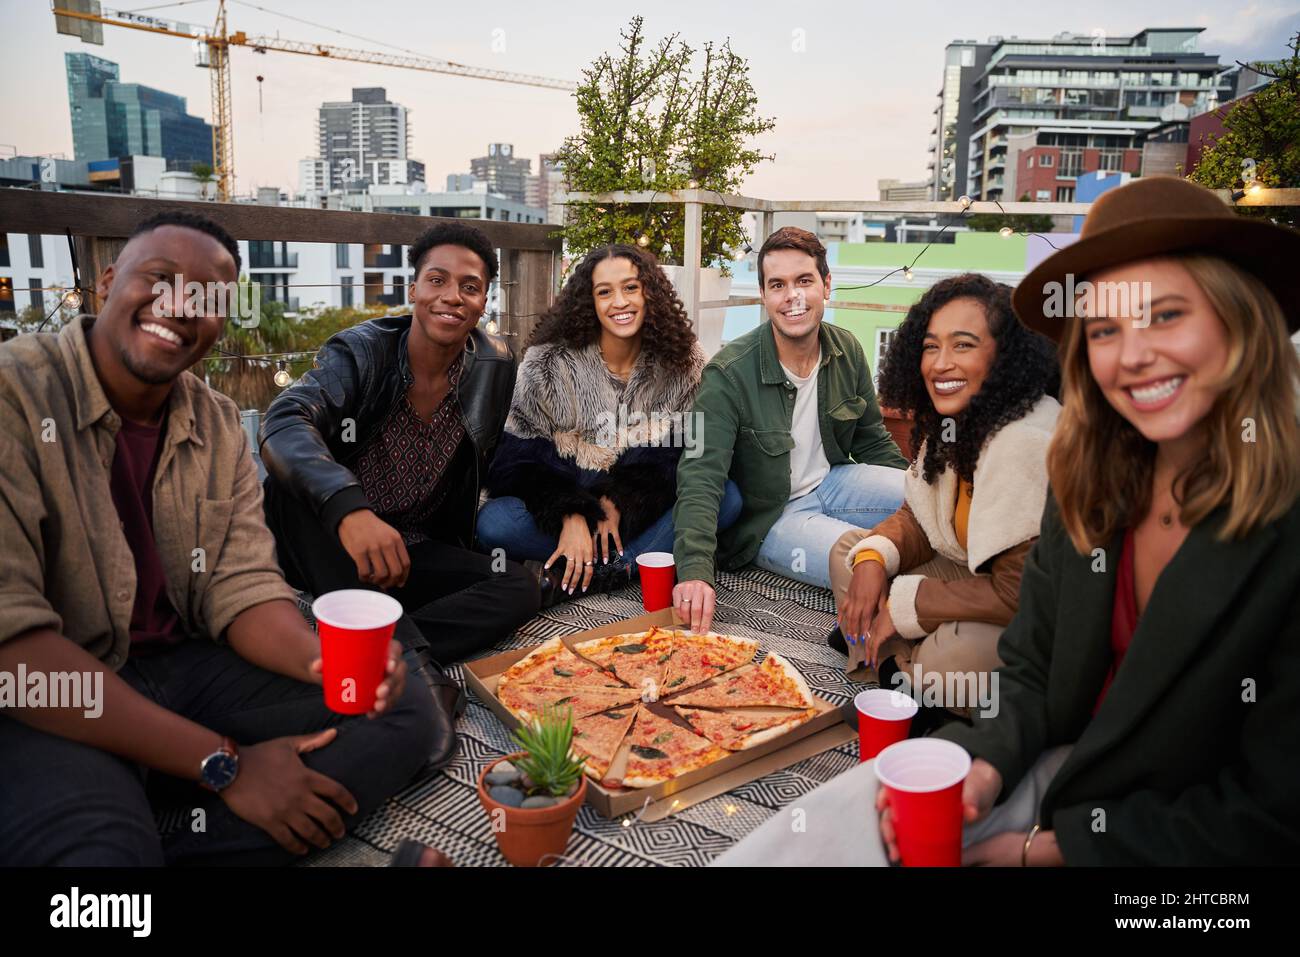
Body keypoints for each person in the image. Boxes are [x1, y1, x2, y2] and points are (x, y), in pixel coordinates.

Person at [714, 176, 1300, 866]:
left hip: (1169, 851)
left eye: (1165, 315)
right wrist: (983, 765)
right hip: (1048, 763)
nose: (1133, 353)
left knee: (950, 655)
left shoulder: (1276, 532)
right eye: (1105, 328)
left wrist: (1048, 849)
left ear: (1240, 321)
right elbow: (1032, 666)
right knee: (808, 836)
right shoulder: (1091, 485)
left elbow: (1274, 816)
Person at [0, 212, 436, 865]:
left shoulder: (217, 420)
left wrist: (327, 664)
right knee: (99, 857)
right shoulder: (15, 389)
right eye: (159, 279)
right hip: (54, 691)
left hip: (183, 668)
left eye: (208, 298)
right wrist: (223, 763)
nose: (181, 307)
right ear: (107, 282)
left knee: (409, 712)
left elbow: (241, 588)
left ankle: (172, 830)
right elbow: (17, 657)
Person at [259, 222, 540, 741]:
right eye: (437, 280)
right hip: (327, 540)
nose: (451, 297)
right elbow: (284, 422)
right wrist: (350, 511)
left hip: (407, 549)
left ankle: (372, 644)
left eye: (470, 287)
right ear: (413, 289)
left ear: (483, 302)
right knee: (288, 490)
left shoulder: (494, 366)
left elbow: (494, 462)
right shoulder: (360, 352)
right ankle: (417, 669)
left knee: (519, 584)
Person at [826, 273, 1060, 707]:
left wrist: (903, 605)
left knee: (949, 663)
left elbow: (1018, 594)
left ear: (1004, 356)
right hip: (966, 576)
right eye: (931, 346)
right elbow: (919, 518)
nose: (939, 363)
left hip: (1029, 610)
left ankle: (908, 674)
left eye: (963, 345)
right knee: (851, 553)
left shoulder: (1025, 438)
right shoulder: (955, 420)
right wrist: (876, 559)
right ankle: (895, 668)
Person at [672, 227, 907, 633]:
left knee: (927, 499)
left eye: (804, 281)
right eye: (777, 285)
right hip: (773, 519)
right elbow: (700, 474)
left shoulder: (846, 348)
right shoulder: (728, 373)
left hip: (834, 481)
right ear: (763, 296)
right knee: (867, 559)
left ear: (826, 285)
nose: (792, 297)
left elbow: (872, 439)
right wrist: (694, 570)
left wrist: (912, 488)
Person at [478, 244, 741, 597]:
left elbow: (689, 450)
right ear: (590, 301)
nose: (620, 302)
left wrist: (621, 500)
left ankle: (600, 569)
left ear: (650, 292)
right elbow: (516, 458)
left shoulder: (684, 361)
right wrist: (569, 513)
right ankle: (615, 562)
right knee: (495, 523)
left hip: (640, 513)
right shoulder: (548, 363)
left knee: (727, 497)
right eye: (605, 292)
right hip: (570, 498)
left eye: (630, 287)